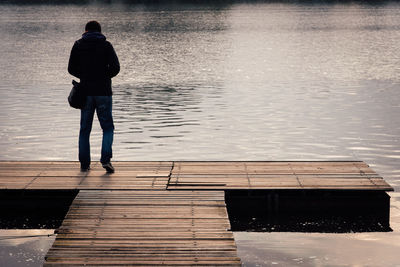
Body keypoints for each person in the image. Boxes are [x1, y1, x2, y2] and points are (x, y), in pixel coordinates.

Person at [68, 21, 120, 173]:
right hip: (103, 92)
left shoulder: (78, 45)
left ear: (85, 30)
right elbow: (116, 68)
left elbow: (71, 68)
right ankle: (105, 160)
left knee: (85, 129)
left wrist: (85, 76)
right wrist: (103, 76)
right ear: (100, 31)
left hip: (85, 92)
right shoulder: (106, 45)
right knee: (108, 127)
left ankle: (84, 164)